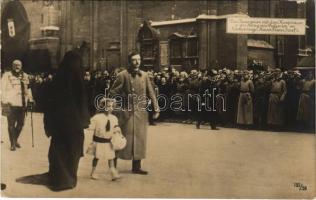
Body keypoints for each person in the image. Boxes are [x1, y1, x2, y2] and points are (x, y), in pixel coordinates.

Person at [43, 50, 90, 191]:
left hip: (59, 124)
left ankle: (59, 178)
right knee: (73, 151)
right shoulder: (79, 81)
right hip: (74, 125)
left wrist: (49, 124)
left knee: (58, 150)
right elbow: (83, 103)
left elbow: (48, 104)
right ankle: (69, 179)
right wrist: (84, 120)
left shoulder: (57, 80)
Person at [109, 51, 159, 175]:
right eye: (134, 60)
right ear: (129, 62)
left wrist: (156, 108)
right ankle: (113, 166)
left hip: (141, 113)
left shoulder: (145, 75)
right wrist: (118, 107)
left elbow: (151, 92)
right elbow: (113, 93)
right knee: (120, 139)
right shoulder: (122, 75)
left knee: (140, 140)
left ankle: (136, 166)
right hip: (126, 112)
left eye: (139, 59)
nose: (137, 62)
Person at [1, 60, 33, 151]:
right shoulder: (7, 75)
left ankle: (15, 139)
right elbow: (2, 88)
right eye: (15, 65)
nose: (17, 66)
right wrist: (4, 101)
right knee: (11, 124)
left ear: (21, 66)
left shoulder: (25, 76)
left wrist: (30, 99)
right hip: (10, 103)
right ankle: (13, 144)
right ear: (12, 66)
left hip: (22, 104)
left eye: (19, 65)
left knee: (21, 124)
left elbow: (29, 88)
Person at [87, 98, 121, 181]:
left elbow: (116, 127)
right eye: (108, 106)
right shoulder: (96, 118)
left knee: (111, 157)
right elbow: (90, 128)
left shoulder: (114, 118)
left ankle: (113, 172)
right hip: (98, 141)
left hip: (108, 141)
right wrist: (90, 139)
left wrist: (117, 131)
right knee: (96, 157)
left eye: (112, 106)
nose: (110, 108)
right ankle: (93, 172)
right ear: (102, 107)